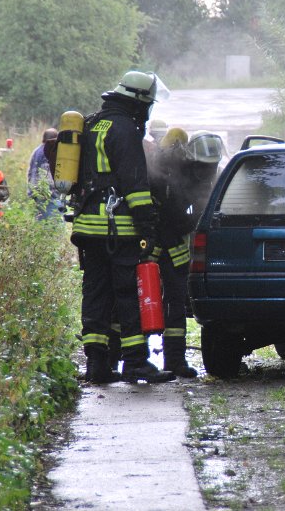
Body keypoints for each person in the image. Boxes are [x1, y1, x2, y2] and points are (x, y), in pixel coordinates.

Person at [70, 70, 173, 384]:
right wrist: (147, 226)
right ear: (137, 101)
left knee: (96, 295)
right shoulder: (125, 129)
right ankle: (135, 363)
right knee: (128, 294)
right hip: (118, 229)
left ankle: (98, 365)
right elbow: (135, 186)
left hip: (88, 226)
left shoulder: (90, 124)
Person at [147, 128, 223, 377]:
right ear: (191, 160)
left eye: (212, 167)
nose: (208, 172)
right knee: (141, 300)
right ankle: (131, 359)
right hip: (153, 245)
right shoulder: (173, 173)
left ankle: (175, 360)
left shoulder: (206, 176)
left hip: (175, 249)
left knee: (176, 303)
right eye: (203, 166)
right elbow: (171, 214)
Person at [27, 127, 59, 220]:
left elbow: (30, 172)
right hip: (47, 195)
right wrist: (57, 190)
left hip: (35, 193)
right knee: (55, 224)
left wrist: (31, 191)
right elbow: (48, 176)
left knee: (39, 222)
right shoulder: (49, 152)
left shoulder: (36, 151)